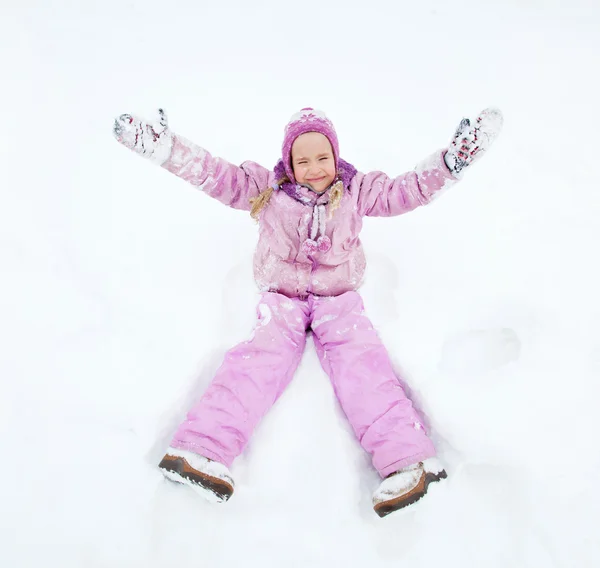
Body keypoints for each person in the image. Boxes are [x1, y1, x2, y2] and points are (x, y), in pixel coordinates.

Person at [113, 106, 503, 517]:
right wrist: (166, 149)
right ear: (288, 161)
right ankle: (200, 449)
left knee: (362, 366)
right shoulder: (267, 190)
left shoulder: (356, 190)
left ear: (336, 157)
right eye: (303, 160)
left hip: (339, 297)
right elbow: (214, 174)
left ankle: (408, 461)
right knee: (256, 362)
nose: (314, 168)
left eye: (323, 158)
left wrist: (450, 162)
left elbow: (406, 191)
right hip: (282, 296)